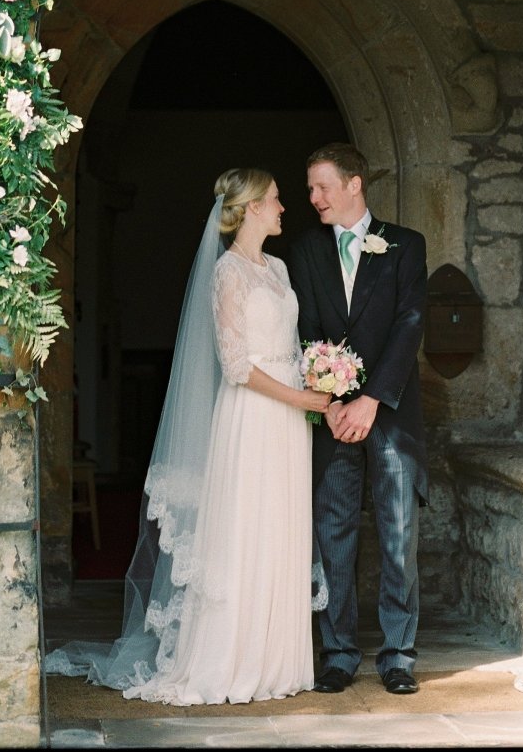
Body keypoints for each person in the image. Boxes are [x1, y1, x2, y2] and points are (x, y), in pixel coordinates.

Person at [46, 168, 329, 705]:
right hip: (253, 417)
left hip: (290, 422)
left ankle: (277, 660)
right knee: (245, 528)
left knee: (280, 525)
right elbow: (236, 365)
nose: (283, 207)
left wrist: (317, 378)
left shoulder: (280, 268)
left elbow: (289, 346)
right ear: (249, 209)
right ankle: (231, 658)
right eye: (274, 200)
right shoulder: (228, 273)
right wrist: (301, 398)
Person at [289, 142, 428, 696]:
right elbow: (305, 328)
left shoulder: (405, 245)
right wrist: (335, 400)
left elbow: (409, 324)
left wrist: (371, 400)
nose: (314, 198)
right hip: (331, 415)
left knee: (398, 534)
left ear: (354, 185)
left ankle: (398, 654)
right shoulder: (304, 250)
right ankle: (340, 652)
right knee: (334, 532)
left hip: (389, 413)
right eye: (309, 190)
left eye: (322, 187)